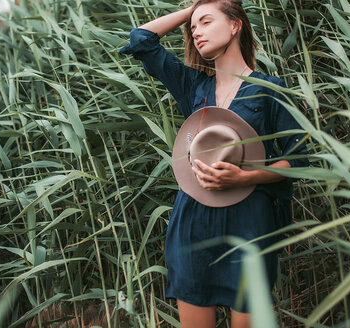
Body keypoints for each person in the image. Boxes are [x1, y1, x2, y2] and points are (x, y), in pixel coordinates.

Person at [119, 0, 308, 327]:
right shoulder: (192, 85)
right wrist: (191, 10)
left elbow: (300, 160)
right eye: (193, 29)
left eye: (206, 22)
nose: (196, 33)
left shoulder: (270, 90)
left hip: (250, 224)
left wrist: (244, 176)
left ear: (236, 25)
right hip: (193, 222)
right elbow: (141, 39)